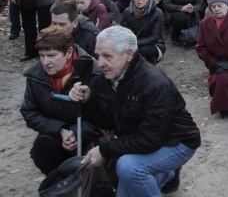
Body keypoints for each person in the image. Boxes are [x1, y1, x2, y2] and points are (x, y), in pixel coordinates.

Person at [68, 26, 201, 196]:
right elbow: (108, 122)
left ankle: (165, 170)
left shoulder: (155, 84)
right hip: (143, 139)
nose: (99, 63)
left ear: (128, 54)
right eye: (98, 55)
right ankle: (163, 173)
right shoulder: (107, 78)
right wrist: (87, 102)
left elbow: (150, 139)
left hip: (177, 142)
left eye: (107, 56)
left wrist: (104, 150)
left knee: (129, 166)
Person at [20, 26, 99, 175]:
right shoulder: (35, 76)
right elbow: (29, 112)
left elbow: (107, 113)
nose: (45, 62)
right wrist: (60, 130)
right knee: (42, 150)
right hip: (55, 133)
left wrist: (76, 132)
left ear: (69, 52)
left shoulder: (93, 73)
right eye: (41, 55)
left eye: (51, 55)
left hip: (89, 134)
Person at [121, 0, 165, 64]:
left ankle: (151, 71)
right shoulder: (127, 12)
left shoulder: (157, 12)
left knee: (144, 50)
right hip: (132, 43)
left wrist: (135, 43)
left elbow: (155, 37)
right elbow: (124, 32)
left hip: (154, 45)